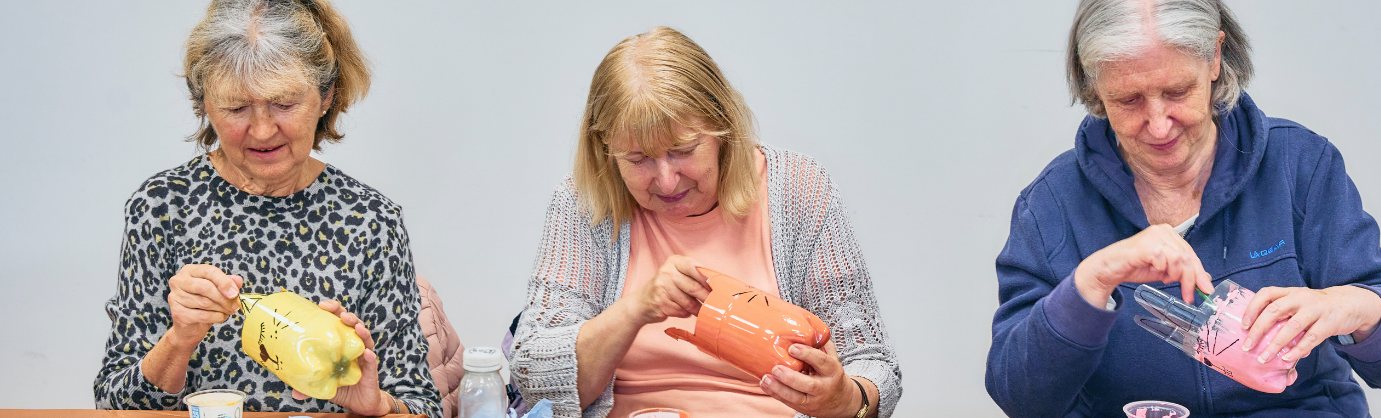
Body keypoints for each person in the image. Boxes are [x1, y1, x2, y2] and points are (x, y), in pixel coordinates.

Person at [985, 0, 1381, 416]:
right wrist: (1093, 281)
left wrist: (1358, 306)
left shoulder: (1299, 166)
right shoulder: (1051, 204)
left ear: (1215, 57)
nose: (1159, 124)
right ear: (1095, 87)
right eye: (1129, 100)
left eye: (1177, 91)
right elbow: (1020, 396)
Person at [509, 27, 901, 418]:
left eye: (682, 150)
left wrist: (847, 401)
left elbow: (872, 362)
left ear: (721, 128)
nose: (665, 180)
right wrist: (635, 310)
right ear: (605, 148)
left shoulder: (799, 190)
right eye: (637, 159)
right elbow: (535, 378)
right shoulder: (585, 204)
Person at [93, 0, 439, 415]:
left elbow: (423, 406)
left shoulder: (371, 220)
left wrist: (376, 405)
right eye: (236, 108)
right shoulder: (163, 207)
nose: (261, 130)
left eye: (284, 104)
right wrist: (179, 339)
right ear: (204, 104)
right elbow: (113, 404)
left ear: (327, 95)